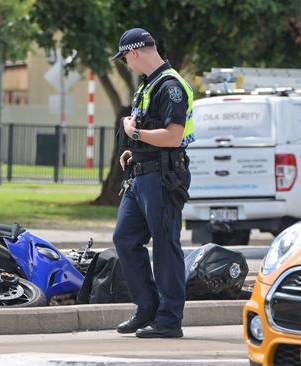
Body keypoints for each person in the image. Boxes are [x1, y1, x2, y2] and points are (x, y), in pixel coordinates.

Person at [110, 28, 194, 339]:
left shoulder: (170, 86)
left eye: (125, 59)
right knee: (125, 239)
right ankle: (147, 307)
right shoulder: (149, 85)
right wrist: (136, 149)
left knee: (165, 247)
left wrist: (134, 134)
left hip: (162, 178)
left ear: (133, 53)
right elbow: (153, 130)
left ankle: (169, 320)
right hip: (141, 175)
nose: (126, 65)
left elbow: (173, 136)